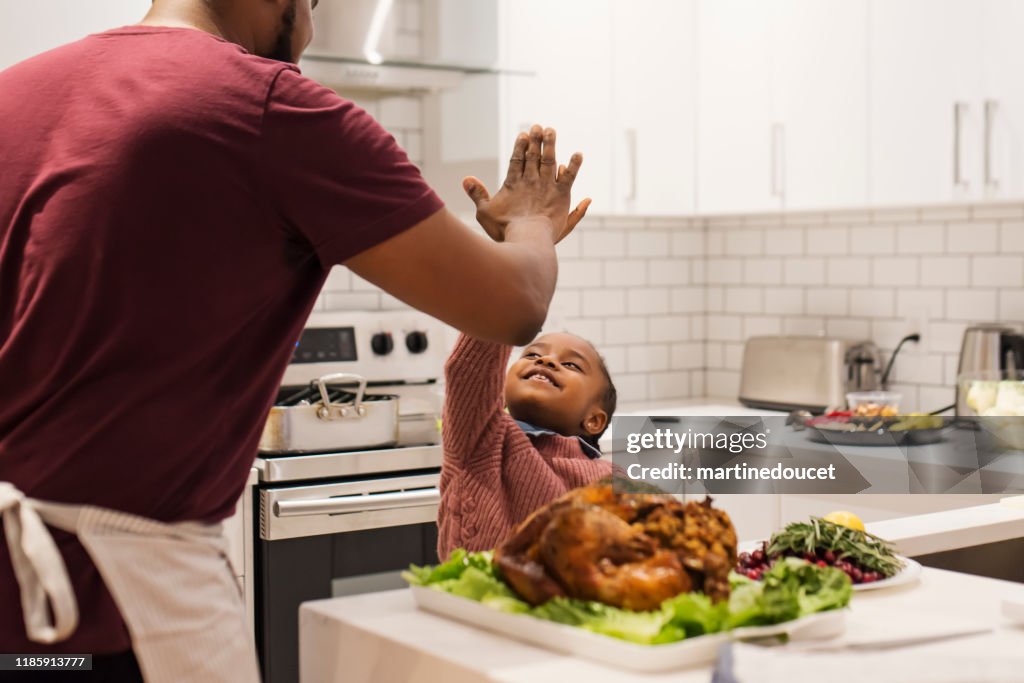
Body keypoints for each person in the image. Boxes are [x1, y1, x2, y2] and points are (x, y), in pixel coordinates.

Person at [0, 0, 591, 680]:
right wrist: (533, 221)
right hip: (117, 614)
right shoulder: (272, 109)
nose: (312, 28)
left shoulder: (15, 91)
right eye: (311, 3)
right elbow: (513, 303)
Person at [437, 330, 617, 560]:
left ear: (594, 420)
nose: (546, 360)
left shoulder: (610, 477)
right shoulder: (480, 440)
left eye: (571, 364)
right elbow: (468, 371)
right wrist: (504, 315)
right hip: (477, 596)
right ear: (500, 393)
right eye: (531, 355)